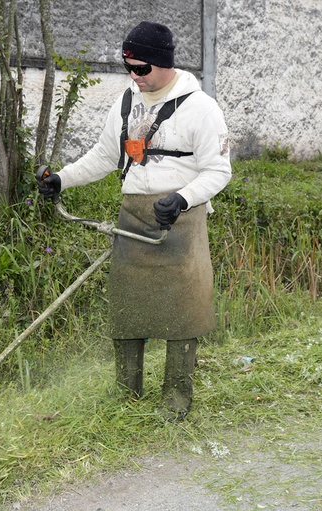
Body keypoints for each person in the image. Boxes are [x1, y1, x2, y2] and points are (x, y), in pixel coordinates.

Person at [37, 21, 231, 421]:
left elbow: (218, 170)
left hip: (180, 221)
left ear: (163, 64)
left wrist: (182, 198)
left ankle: (176, 399)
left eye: (141, 68)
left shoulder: (200, 108)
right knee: (127, 309)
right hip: (132, 218)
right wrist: (62, 179)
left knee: (183, 311)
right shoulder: (127, 102)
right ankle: (127, 394)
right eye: (129, 67)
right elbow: (105, 157)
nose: (134, 76)